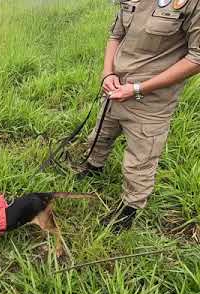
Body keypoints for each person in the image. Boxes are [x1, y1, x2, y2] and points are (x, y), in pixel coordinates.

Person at [78, 0, 200, 231]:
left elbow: (196, 58)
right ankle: (93, 167)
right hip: (115, 88)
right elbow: (116, 34)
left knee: (141, 159)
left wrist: (138, 89)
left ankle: (130, 208)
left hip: (151, 100)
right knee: (101, 134)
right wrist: (107, 73)